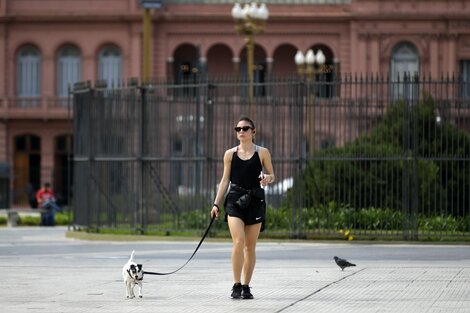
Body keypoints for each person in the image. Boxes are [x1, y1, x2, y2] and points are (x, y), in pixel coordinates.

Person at [210, 116, 275, 299]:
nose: (241, 132)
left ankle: (246, 286)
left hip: (255, 200)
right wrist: (216, 203)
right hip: (235, 200)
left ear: (253, 132)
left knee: (250, 246)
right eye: (238, 129)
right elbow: (224, 180)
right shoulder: (229, 154)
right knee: (238, 242)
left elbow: (272, 175)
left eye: (245, 128)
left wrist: (267, 179)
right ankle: (236, 284)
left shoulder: (262, 152)